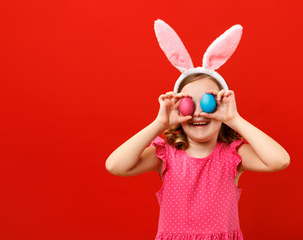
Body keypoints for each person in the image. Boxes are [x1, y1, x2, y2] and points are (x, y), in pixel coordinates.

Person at [105, 20, 290, 239]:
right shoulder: (166, 155)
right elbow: (115, 165)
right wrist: (160, 123)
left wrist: (235, 118)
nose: (198, 113)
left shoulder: (232, 155)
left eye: (207, 103)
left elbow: (280, 160)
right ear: (178, 109)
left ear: (221, 107)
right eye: (189, 104)